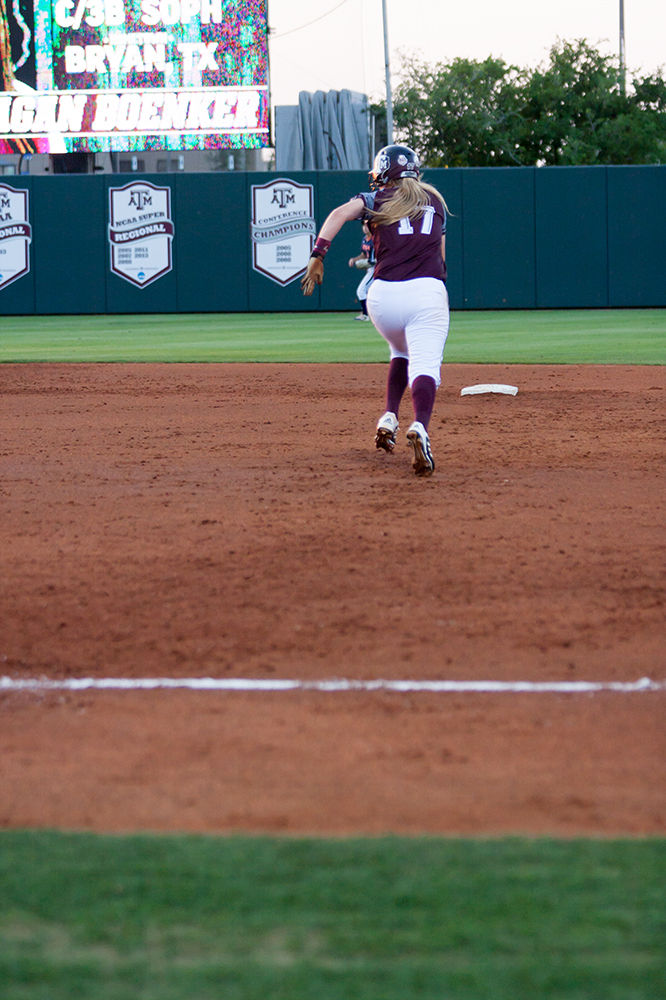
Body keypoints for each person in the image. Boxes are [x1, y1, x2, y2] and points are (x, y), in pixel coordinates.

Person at [301, 143, 450, 477]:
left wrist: (317, 254)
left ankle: (389, 415)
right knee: (425, 363)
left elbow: (338, 214)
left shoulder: (376, 199)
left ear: (384, 172)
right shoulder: (436, 201)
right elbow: (441, 257)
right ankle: (420, 428)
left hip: (381, 298)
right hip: (425, 289)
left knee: (400, 350)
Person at [348, 220, 376, 321]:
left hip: (375, 270)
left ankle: (366, 315)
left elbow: (374, 260)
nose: (365, 228)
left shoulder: (375, 239)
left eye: (367, 226)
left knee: (361, 290)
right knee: (370, 292)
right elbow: (363, 255)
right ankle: (369, 313)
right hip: (370, 269)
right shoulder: (365, 239)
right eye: (363, 225)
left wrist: (366, 263)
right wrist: (355, 259)